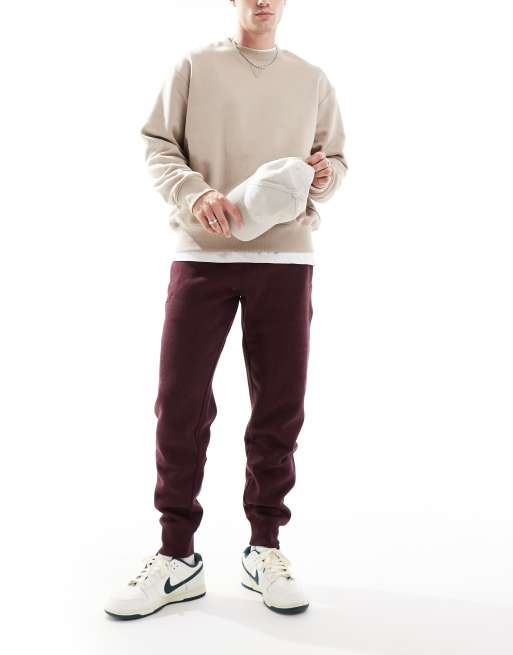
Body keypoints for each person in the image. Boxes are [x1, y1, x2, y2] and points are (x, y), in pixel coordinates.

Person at [104, 0, 348, 620]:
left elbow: (337, 161)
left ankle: (265, 547)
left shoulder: (311, 78)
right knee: (180, 400)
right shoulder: (193, 67)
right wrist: (195, 193)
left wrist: (323, 176)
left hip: (286, 258)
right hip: (201, 253)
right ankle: (176, 555)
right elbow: (158, 143)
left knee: (279, 406)